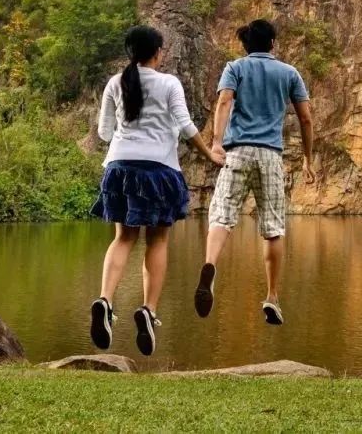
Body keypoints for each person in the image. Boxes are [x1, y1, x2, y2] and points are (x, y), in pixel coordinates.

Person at [90, 25, 223, 356]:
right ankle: (148, 310)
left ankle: (105, 300)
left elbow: (104, 132)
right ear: (157, 52)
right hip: (159, 170)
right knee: (158, 241)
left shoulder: (115, 83)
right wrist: (210, 154)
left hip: (120, 167)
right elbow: (186, 126)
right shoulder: (169, 83)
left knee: (123, 238)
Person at [194, 19, 315, 326]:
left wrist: (217, 142)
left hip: (237, 152)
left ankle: (210, 265)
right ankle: (272, 296)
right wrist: (307, 158)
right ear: (272, 43)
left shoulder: (235, 68)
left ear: (246, 44)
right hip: (270, 156)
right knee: (273, 227)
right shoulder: (289, 73)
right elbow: (306, 119)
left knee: (221, 216)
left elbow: (224, 101)